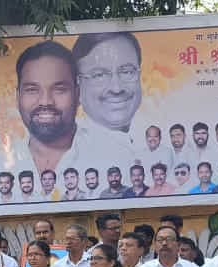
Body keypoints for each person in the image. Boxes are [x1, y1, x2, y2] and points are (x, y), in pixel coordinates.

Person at [72, 31, 143, 169]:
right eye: (99, 75)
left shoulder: (161, 137)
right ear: (78, 86)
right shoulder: (75, 155)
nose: (116, 88)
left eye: (127, 72)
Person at [14, 41, 85, 176]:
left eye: (59, 89)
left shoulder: (110, 151)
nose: (45, 102)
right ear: (17, 97)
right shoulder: (3, 158)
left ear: (77, 95)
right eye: (32, 90)